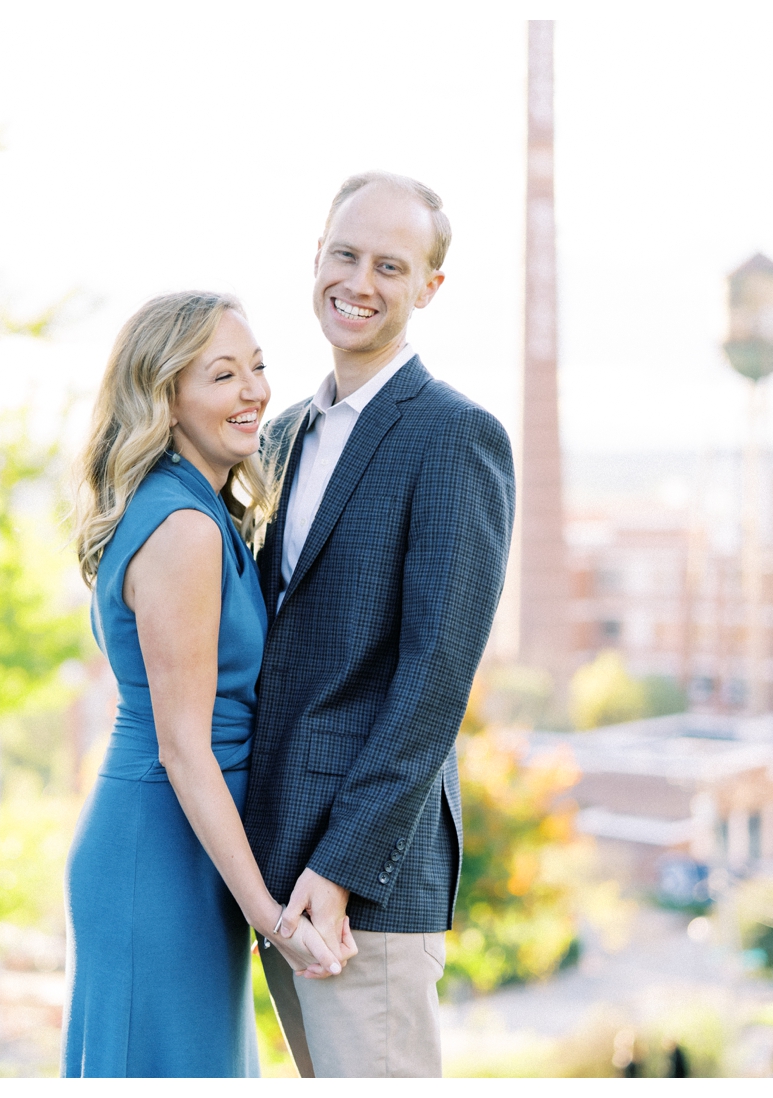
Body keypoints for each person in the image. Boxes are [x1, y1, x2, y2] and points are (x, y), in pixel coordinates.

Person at [245, 171, 516, 1077]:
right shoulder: (278, 436)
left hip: (365, 884)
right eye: (345, 254)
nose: (359, 282)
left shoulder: (454, 436)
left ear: (428, 288)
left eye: (389, 266)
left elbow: (435, 681)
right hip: (275, 866)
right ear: (315, 258)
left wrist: (342, 867)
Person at [62, 291, 351, 1078]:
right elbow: (185, 747)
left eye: (257, 367)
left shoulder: (203, 510)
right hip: (158, 847)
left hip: (193, 847)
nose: (254, 391)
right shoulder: (183, 530)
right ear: (167, 398)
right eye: (223, 376)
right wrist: (269, 917)